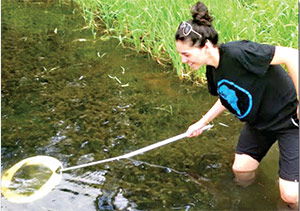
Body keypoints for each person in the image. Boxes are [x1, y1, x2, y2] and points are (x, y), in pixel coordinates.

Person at [175, 1, 299, 209]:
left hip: (289, 121)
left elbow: (292, 55)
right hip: (259, 123)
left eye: (186, 54)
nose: (183, 60)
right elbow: (227, 98)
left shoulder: (239, 53)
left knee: (289, 196)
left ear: (205, 47)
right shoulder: (212, 71)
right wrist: (201, 122)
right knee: (241, 171)